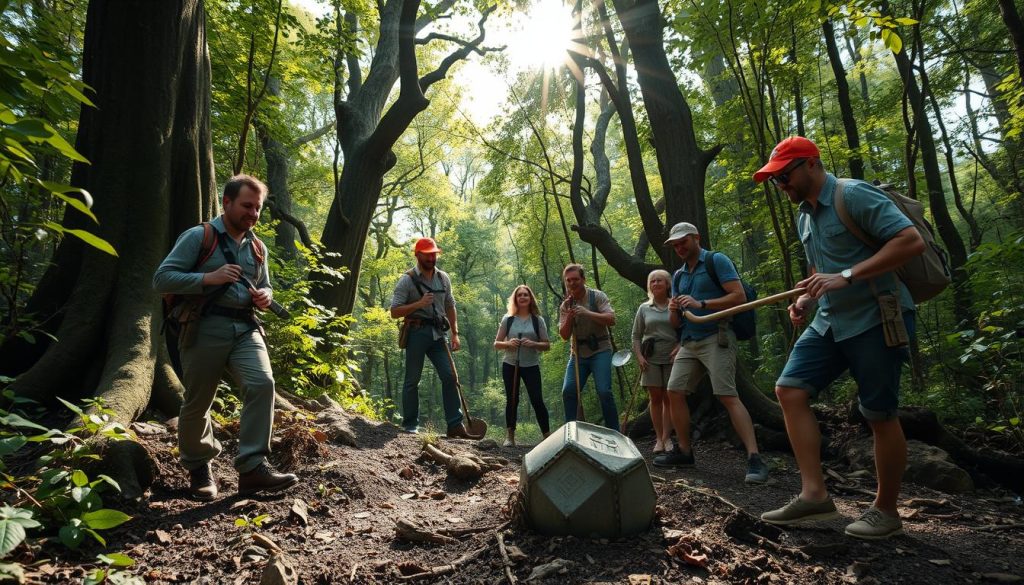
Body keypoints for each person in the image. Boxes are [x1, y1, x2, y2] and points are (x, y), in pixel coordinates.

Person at [753, 136, 925, 540]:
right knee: (789, 390)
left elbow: (910, 241)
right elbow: (821, 270)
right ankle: (814, 495)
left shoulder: (854, 195)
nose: (781, 185)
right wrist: (803, 300)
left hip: (875, 315)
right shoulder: (804, 216)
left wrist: (845, 276)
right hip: (830, 320)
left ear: (811, 164)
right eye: (775, 180)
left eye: (785, 175)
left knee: (878, 414)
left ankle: (886, 511)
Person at [153, 174, 298, 501]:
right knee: (198, 401)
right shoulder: (199, 237)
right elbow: (161, 279)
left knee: (262, 384)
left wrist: (264, 294)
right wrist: (209, 278)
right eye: (247, 206)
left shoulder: (258, 247)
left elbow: (266, 283)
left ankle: (252, 467)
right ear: (227, 203)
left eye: (258, 208)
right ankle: (198, 467)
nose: (253, 213)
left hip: (246, 327)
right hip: (204, 327)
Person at [654, 221, 770, 484]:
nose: (679, 247)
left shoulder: (717, 261)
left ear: (696, 238)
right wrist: (673, 310)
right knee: (674, 391)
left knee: (726, 395)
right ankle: (685, 451)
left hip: (717, 336)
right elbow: (676, 323)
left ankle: (755, 458)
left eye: (683, 241)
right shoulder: (679, 275)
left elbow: (738, 296)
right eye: (675, 244)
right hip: (689, 341)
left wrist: (701, 303)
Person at [390, 237, 476, 439]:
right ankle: (410, 425)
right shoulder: (407, 280)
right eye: (427, 254)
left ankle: (455, 425)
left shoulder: (443, 278)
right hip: (416, 332)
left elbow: (450, 305)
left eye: (434, 254)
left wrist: (455, 333)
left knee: (451, 376)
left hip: (439, 334)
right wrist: (418, 304)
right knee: (412, 380)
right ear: (418, 255)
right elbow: (394, 311)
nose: (431, 257)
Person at [558, 264, 619, 430]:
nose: (572, 283)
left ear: (583, 279)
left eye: (576, 279)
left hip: (601, 350)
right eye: (568, 280)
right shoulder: (565, 305)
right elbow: (563, 335)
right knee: (569, 391)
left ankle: (614, 431)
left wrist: (587, 312)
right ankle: (570, 432)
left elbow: (611, 319)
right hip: (577, 354)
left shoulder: (597, 296)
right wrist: (570, 318)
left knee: (604, 391)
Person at [493, 285, 552, 446]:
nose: (523, 297)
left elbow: (547, 345)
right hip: (510, 364)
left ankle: (547, 436)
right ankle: (510, 436)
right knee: (512, 399)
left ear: (530, 298)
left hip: (531, 365)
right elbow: (496, 343)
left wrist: (533, 344)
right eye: (519, 295)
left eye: (526, 295)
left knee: (537, 399)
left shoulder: (537, 320)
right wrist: (508, 343)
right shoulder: (508, 319)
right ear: (515, 299)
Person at [630, 270, 679, 455]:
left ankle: (667, 438)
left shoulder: (675, 305)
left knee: (670, 398)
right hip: (650, 357)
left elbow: (686, 329)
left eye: (660, 280)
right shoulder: (644, 308)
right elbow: (636, 336)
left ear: (667, 284)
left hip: (672, 356)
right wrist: (640, 357)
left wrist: (681, 346)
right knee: (655, 398)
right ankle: (658, 438)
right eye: (652, 281)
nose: (656, 283)